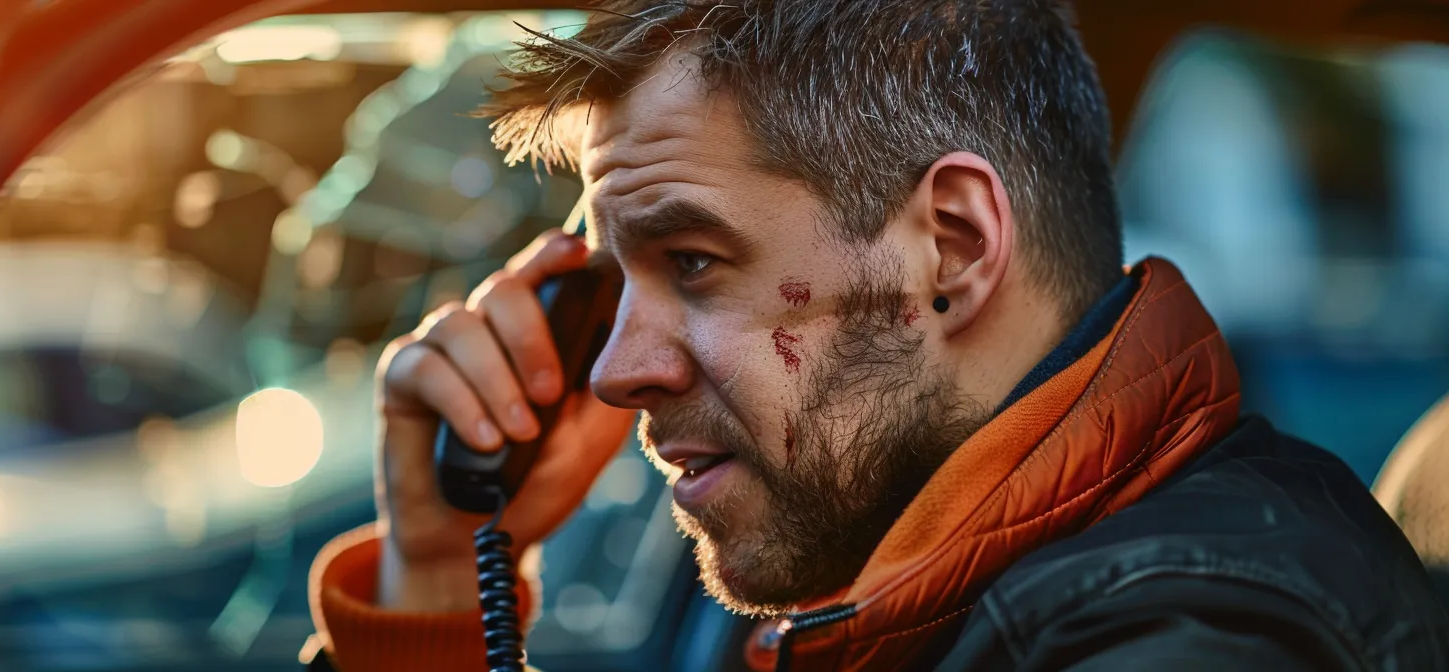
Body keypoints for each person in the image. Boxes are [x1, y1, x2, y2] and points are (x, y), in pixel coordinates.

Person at [301, 1, 1449, 669]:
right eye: (606, 288)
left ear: (948, 247)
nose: (611, 372)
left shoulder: (1189, 639)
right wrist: (443, 581)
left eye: (691, 262)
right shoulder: (903, 578)